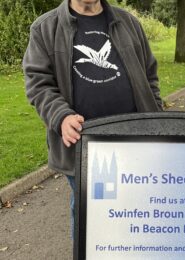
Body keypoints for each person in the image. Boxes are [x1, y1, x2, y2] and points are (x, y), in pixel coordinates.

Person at [23, 0, 162, 237]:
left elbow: (150, 74)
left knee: (137, 208)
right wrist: (61, 116)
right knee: (92, 214)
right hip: (84, 147)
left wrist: (156, 113)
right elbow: (38, 84)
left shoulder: (128, 23)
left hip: (135, 141)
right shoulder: (45, 28)